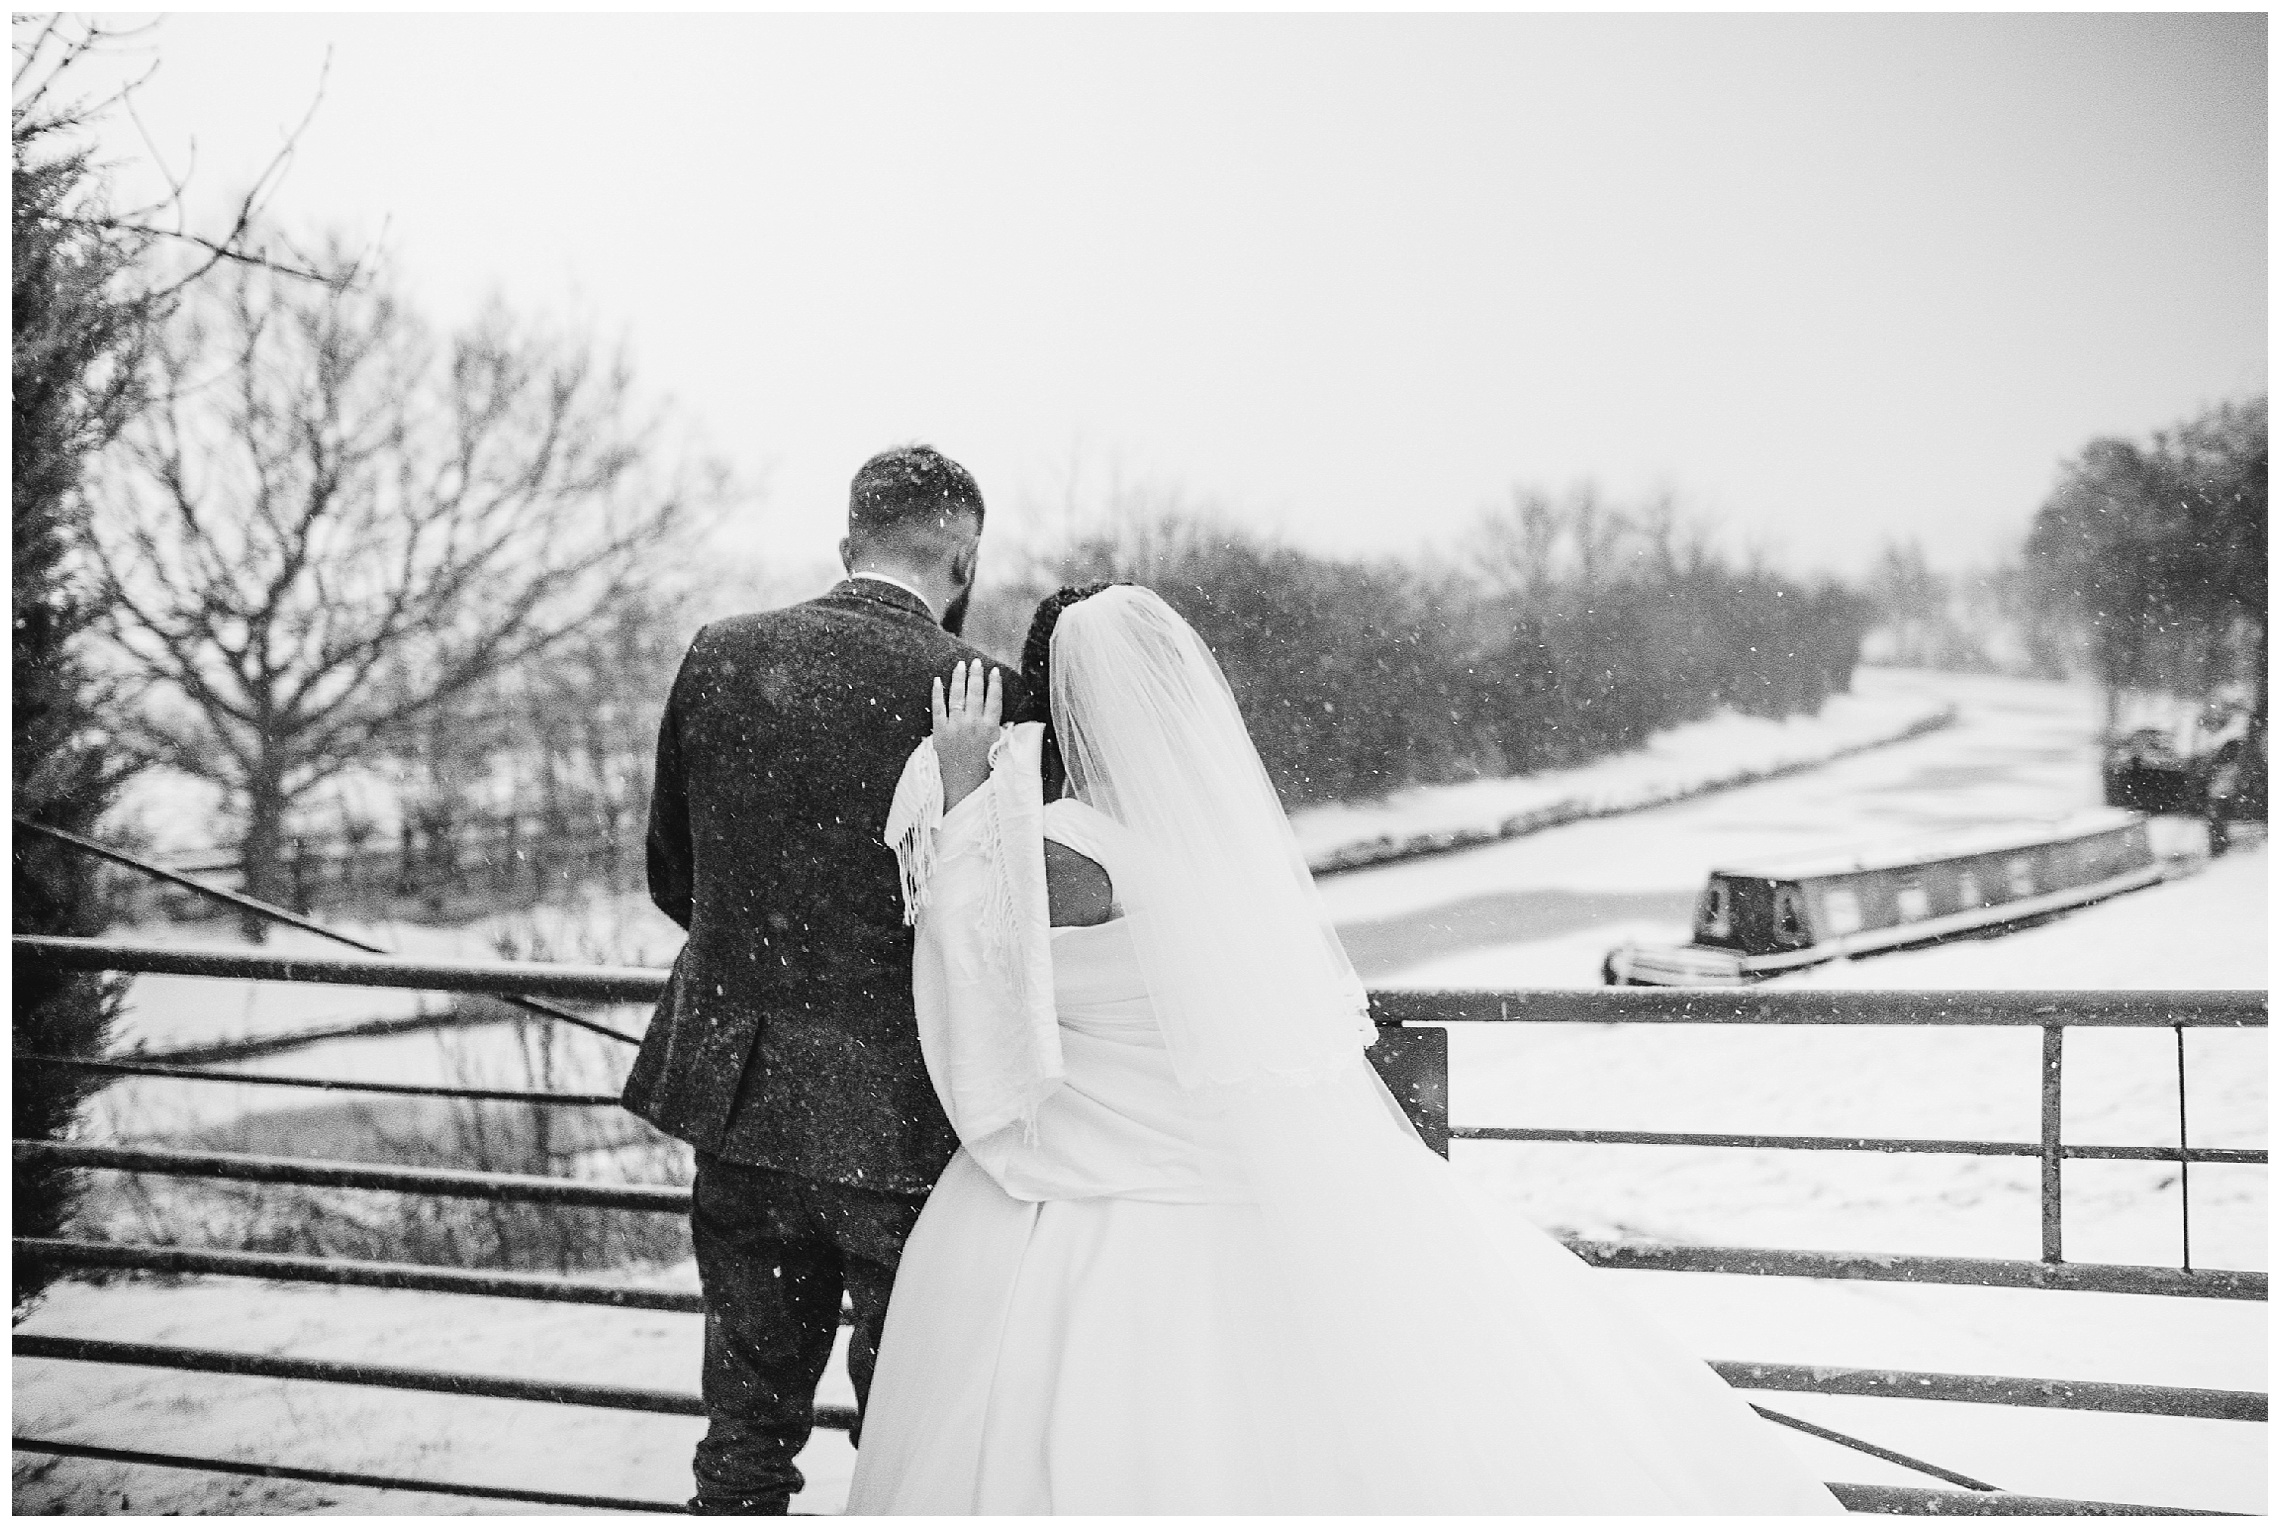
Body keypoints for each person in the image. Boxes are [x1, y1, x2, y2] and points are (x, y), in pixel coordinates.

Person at [845, 583, 1845, 1514]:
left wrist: (973, 794)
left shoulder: (1065, 845)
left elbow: (985, 988)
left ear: (1059, 706)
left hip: (1101, 1195)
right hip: (1234, 1171)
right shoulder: (1222, 850)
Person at [623, 444, 1024, 1515]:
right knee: (908, 1421)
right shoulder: (981, 692)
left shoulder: (721, 655)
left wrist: (767, 968)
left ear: (849, 543)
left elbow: (675, 877)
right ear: (964, 556)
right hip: (904, 1121)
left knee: (745, 1424)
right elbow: (1001, 929)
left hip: (743, 1103)